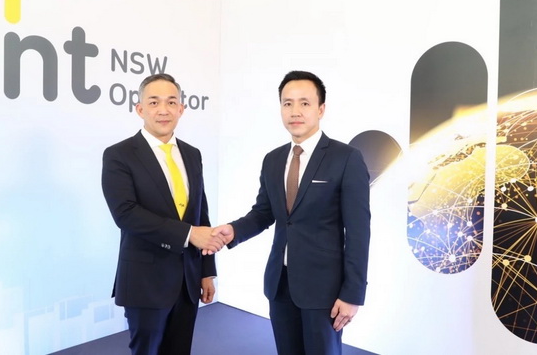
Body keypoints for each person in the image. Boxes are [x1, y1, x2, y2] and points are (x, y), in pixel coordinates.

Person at [211, 70, 371, 355]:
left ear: (321, 109)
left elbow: (359, 232)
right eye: (287, 103)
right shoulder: (273, 159)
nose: (295, 111)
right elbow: (263, 212)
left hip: (324, 290)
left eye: (304, 103)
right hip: (280, 285)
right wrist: (233, 230)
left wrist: (353, 294)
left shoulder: (346, 158)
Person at [102, 73, 224, 355]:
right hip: (145, 281)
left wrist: (207, 272)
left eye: (171, 102)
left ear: (181, 109)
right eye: (154, 102)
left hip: (188, 280)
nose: (163, 110)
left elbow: (201, 214)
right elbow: (125, 214)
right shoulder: (119, 154)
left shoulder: (192, 154)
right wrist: (189, 235)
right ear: (140, 109)